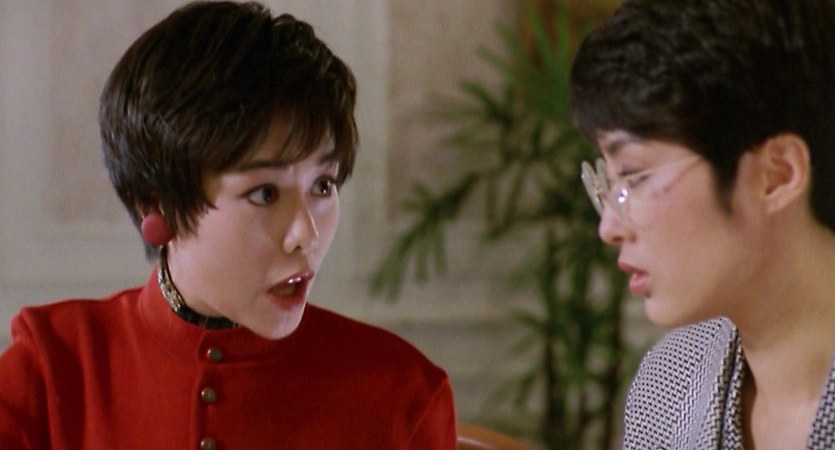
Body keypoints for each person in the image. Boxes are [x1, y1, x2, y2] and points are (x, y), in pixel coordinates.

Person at [0, 2, 456, 449]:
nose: (306, 234)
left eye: (323, 185)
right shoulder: (52, 367)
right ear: (157, 203)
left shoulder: (402, 395)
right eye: (265, 193)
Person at [569, 0, 835, 448]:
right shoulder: (668, 384)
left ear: (776, 175)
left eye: (634, 175)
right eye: (607, 184)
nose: (609, 228)